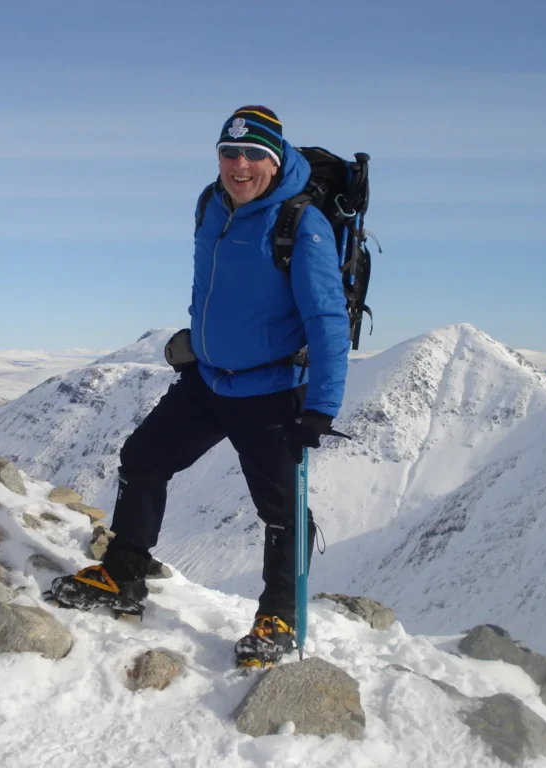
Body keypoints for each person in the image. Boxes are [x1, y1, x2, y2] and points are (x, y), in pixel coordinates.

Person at [46, 106, 351, 667]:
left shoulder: (300, 223)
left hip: (270, 390)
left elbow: (327, 320)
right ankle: (124, 577)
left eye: (254, 155)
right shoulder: (210, 204)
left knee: (282, 509)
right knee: (143, 459)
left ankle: (278, 616)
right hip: (208, 380)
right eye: (229, 153)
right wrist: (200, 345)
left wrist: (321, 406)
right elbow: (211, 285)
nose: (240, 166)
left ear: (275, 159)